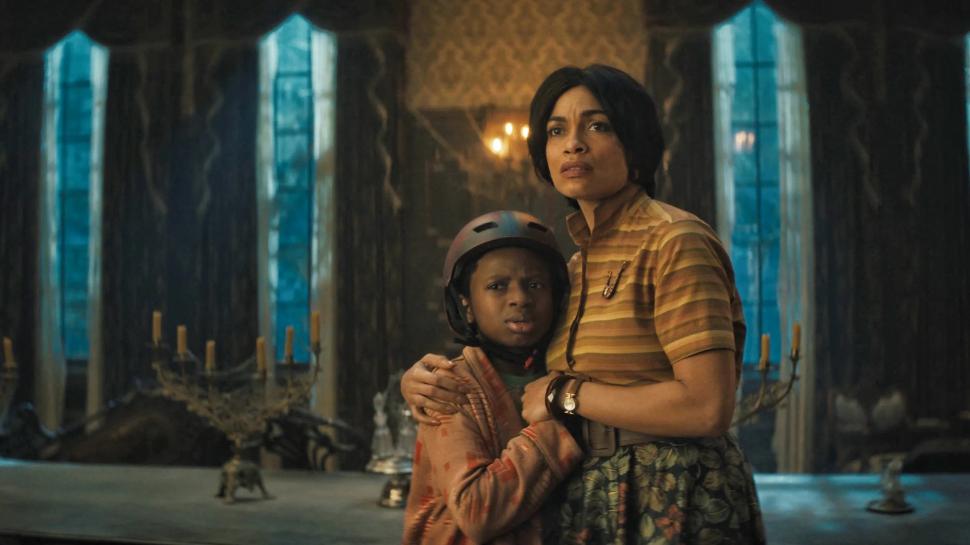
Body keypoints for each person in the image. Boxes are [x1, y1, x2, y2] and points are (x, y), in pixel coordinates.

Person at [402, 64, 766, 544]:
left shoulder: (675, 241)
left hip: (675, 494)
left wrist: (565, 396)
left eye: (598, 126)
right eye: (557, 131)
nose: (573, 144)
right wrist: (422, 382)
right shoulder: (574, 267)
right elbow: (520, 364)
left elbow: (707, 406)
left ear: (635, 145)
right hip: (590, 497)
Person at [402, 210, 584, 545]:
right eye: (497, 286)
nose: (520, 299)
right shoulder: (447, 387)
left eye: (535, 284)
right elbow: (476, 511)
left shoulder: (570, 371)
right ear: (467, 305)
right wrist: (557, 423)